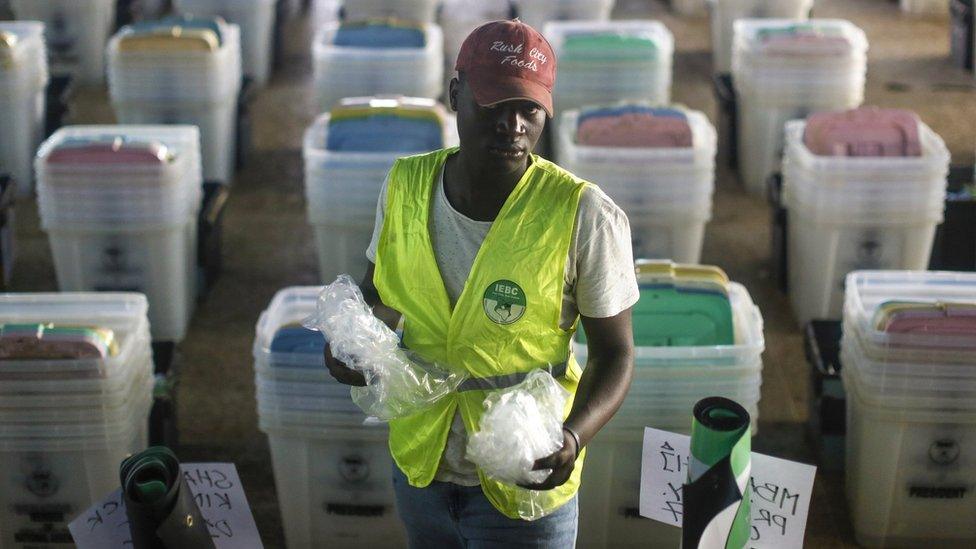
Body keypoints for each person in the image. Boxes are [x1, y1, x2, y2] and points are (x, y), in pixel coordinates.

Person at [324, 19, 638, 548]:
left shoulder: (583, 214)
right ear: (454, 94)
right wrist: (352, 347)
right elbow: (377, 296)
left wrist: (573, 436)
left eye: (529, 109)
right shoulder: (405, 186)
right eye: (494, 104)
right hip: (421, 471)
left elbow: (616, 354)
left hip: (523, 488)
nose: (513, 124)